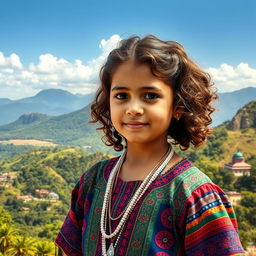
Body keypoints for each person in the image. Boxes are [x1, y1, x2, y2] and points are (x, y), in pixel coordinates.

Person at [55, 35, 245, 256]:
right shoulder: (93, 181)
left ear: (177, 106)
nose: (133, 108)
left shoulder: (193, 195)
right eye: (121, 95)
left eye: (150, 95)